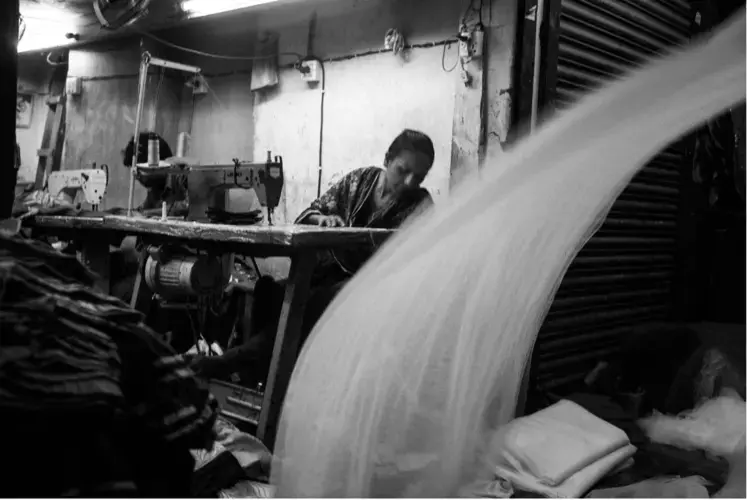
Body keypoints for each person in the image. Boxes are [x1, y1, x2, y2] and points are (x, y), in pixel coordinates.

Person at [192, 129, 436, 383]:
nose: (409, 182)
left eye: (418, 177)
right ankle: (258, 379)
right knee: (267, 290)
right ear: (387, 159)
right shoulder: (361, 179)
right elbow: (312, 211)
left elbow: (419, 263)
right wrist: (323, 219)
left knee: (310, 303)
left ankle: (231, 361)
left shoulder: (420, 205)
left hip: (368, 288)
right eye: (402, 170)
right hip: (324, 275)